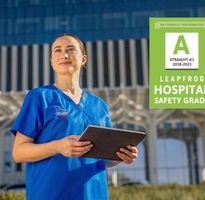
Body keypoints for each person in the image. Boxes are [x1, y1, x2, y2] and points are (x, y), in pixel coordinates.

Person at [11, 33, 138, 200]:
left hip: (95, 195)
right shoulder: (39, 97)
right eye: (57, 50)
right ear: (51, 61)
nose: (64, 55)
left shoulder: (99, 106)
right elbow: (19, 152)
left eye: (70, 49)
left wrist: (122, 156)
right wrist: (57, 147)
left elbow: (103, 159)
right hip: (50, 194)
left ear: (83, 59)